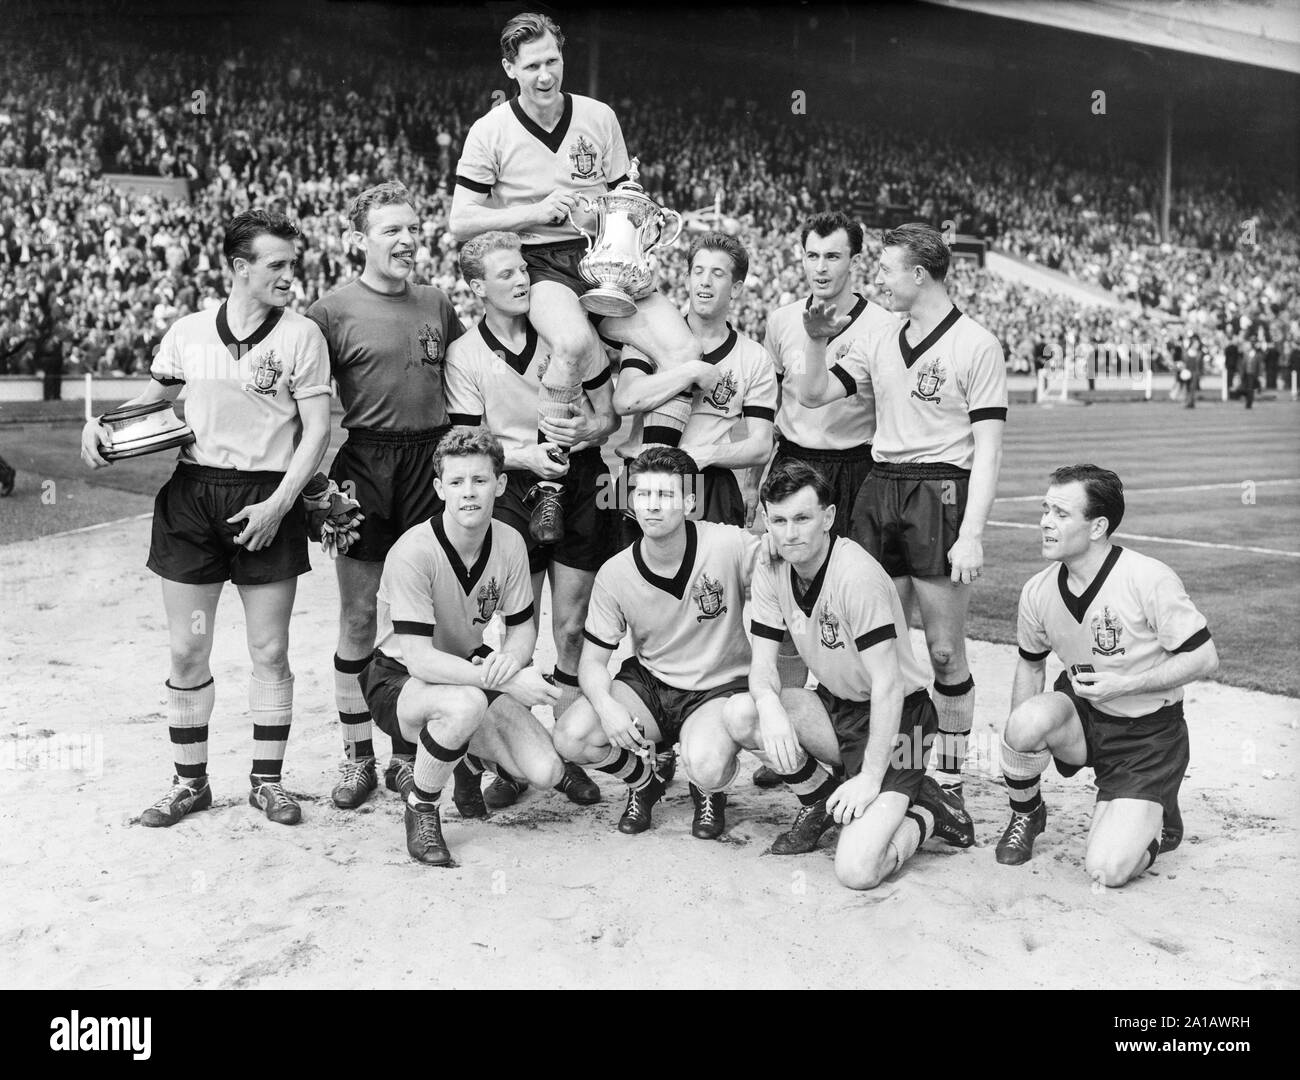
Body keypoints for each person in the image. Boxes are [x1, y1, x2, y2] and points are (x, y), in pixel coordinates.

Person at [80, 208, 333, 828]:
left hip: (266, 497)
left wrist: (280, 506)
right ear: (238, 268)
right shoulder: (189, 332)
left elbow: (317, 432)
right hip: (193, 501)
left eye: (291, 265)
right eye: (276, 266)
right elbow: (155, 402)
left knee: (270, 650)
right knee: (188, 649)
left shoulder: (302, 336)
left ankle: (267, 782)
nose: (289, 277)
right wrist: (104, 425)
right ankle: (189, 783)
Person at [449, 12, 707, 540]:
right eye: (532, 66)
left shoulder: (598, 116)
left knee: (684, 354)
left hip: (604, 254)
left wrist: (632, 230)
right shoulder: (489, 132)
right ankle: (551, 488)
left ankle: (641, 465)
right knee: (569, 342)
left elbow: (625, 198)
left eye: (553, 61)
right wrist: (533, 212)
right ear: (509, 69)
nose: (546, 75)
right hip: (540, 261)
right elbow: (461, 221)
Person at [792, 222, 1006, 812]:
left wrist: (972, 534)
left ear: (920, 274)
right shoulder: (878, 337)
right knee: (874, 646)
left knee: (942, 652)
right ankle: (877, 763)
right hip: (878, 487)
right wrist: (814, 342)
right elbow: (812, 396)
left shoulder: (976, 344)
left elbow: (988, 449)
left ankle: (952, 781)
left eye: (885, 269)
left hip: (941, 491)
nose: (877, 279)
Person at [305, 181, 467, 811]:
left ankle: (404, 755)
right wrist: (316, 487)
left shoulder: (438, 302)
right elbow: (303, 405)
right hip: (365, 465)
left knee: (417, 619)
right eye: (390, 230)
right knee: (357, 615)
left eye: (411, 228)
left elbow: (470, 383)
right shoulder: (329, 311)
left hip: (431, 462)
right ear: (359, 241)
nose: (406, 240)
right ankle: (355, 758)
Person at [737, 461, 972, 888]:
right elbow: (762, 667)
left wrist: (869, 778)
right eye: (780, 521)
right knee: (742, 713)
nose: (791, 533)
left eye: (803, 518)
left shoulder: (855, 574)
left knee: (857, 871)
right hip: (840, 707)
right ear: (767, 522)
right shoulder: (772, 568)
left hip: (902, 723)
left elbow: (888, 684)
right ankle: (821, 797)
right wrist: (769, 705)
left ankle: (928, 813)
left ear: (827, 518)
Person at [445, 229, 611, 811]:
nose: (522, 280)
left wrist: (590, 429)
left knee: (571, 628)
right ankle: (509, 757)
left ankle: (563, 750)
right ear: (476, 287)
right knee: (513, 629)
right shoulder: (465, 354)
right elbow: (464, 442)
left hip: (579, 481)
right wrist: (520, 456)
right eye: (507, 274)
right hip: (513, 488)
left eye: (524, 269)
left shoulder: (563, 334)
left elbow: (607, 415)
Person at [996, 465, 1218, 887]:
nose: (1045, 521)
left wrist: (1126, 684)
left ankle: (1158, 815)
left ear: (1098, 526)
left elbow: (1204, 658)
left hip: (1147, 738)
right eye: (1045, 510)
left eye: (1061, 514)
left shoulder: (1147, 578)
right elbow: (1030, 663)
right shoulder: (1037, 591)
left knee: (1107, 869)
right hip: (1083, 717)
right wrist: (1016, 744)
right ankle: (1026, 814)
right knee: (1025, 721)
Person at [358, 427, 564, 865]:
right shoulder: (413, 551)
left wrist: (509, 664)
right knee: (467, 704)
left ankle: (465, 760)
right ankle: (422, 806)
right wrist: (508, 683)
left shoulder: (509, 541)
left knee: (546, 771)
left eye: (480, 480)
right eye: (456, 482)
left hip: (468, 668)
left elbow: (522, 629)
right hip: (400, 679)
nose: (468, 493)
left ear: (501, 484)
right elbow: (417, 656)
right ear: (439, 488)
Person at [752, 214, 899, 786]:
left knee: (850, 602)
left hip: (854, 466)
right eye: (812, 256)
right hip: (793, 460)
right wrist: (757, 483)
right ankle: (792, 741)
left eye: (833, 257)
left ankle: (862, 738)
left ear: (853, 261)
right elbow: (770, 401)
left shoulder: (883, 324)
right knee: (788, 604)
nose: (820, 267)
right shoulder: (781, 319)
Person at [552, 446, 760, 838]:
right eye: (644, 495)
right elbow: (592, 663)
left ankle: (708, 789)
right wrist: (606, 706)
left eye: (665, 495)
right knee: (570, 735)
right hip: (651, 686)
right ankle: (644, 782)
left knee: (707, 764)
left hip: (715, 686)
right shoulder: (616, 572)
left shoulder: (727, 545)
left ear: (689, 501)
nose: (653, 506)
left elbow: (782, 564)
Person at [614, 231, 776, 534]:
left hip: (710, 482)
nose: (705, 282)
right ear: (687, 279)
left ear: (736, 288)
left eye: (717, 274)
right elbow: (625, 400)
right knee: (629, 576)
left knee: (711, 581)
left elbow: (761, 447)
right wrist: (688, 372)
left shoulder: (754, 357)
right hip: (640, 474)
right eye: (698, 271)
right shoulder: (647, 337)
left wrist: (702, 455)